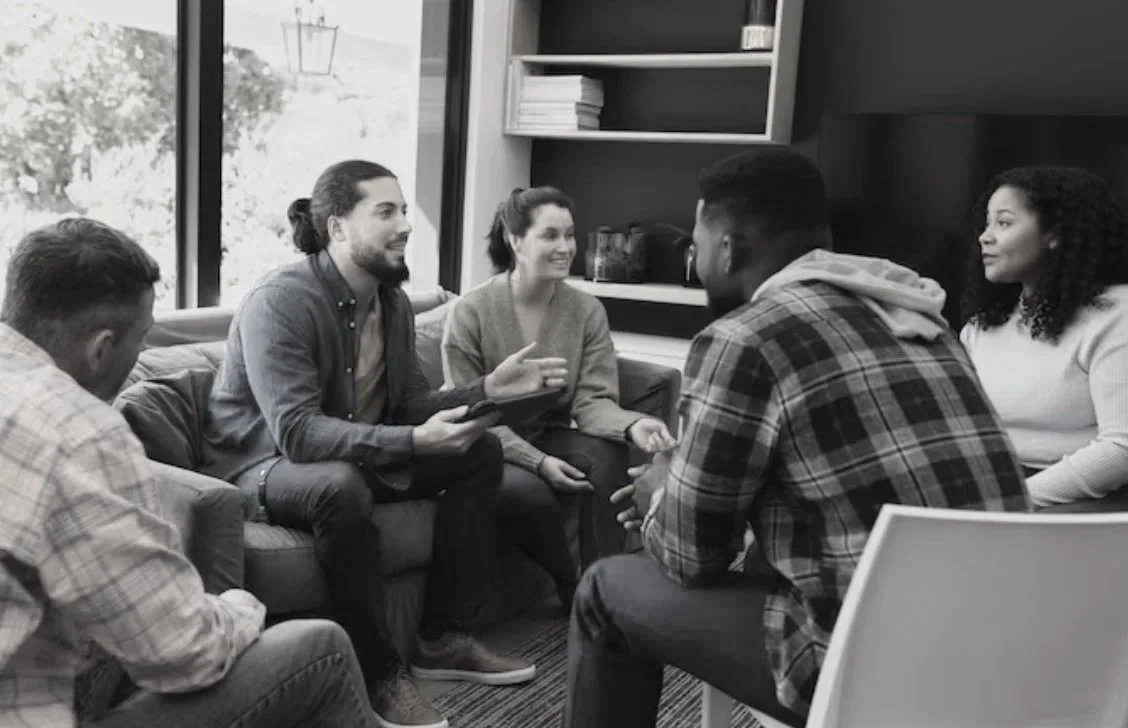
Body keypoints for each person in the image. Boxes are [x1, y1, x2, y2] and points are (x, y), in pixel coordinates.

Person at [562, 148, 1031, 727]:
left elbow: (692, 559)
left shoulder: (745, 338)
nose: (696, 260)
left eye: (696, 244)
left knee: (605, 589)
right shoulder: (925, 319)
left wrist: (662, 494)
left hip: (875, 668)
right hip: (1011, 655)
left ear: (729, 248)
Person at [203, 160, 566, 728]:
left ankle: (441, 638)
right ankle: (376, 674)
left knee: (479, 453)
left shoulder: (391, 303)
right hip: (261, 465)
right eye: (386, 212)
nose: (404, 224)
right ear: (337, 228)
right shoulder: (281, 301)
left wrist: (487, 390)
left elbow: (410, 404)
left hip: (345, 456)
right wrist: (414, 441)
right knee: (339, 486)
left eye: (403, 211)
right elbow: (297, 432)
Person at [0, 218, 380, 728]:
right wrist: (239, 606)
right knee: (321, 648)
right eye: (141, 340)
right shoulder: (80, 431)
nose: (140, 355)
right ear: (101, 349)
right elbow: (185, 654)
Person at [441, 186, 676, 610]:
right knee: (531, 493)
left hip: (551, 433)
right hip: (489, 444)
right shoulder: (470, 312)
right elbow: (471, 414)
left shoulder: (586, 311)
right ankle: (572, 590)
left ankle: (605, 591)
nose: (566, 247)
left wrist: (633, 425)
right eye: (550, 235)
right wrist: (538, 463)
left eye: (569, 235)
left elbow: (592, 401)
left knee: (607, 453)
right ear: (515, 240)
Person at [960, 166, 1128, 511]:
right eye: (987, 224)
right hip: (997, 491)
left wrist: (1012, 503)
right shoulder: (982, 326)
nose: (985, 237)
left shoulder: (1117, 315)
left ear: (1056, 233)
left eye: (1004, 223)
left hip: (1087, 501)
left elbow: (1120, 449)